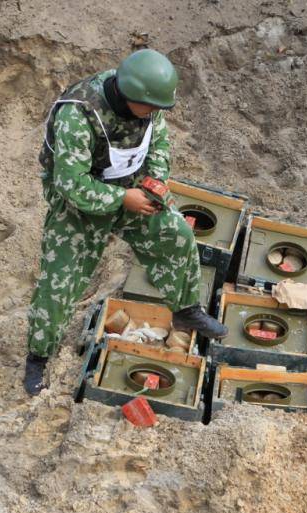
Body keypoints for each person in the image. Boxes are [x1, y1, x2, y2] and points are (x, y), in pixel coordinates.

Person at [24, 49, 228, 396]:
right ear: (129, 95)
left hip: (133, 189)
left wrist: (154, 184)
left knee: (177, 234)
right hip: (80, 201)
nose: (154, 113)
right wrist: (122, 199)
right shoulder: (79, 113)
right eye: (149, 107)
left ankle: (186, 310)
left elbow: (158, 145)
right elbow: (70, 183)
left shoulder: (148, 103)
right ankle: (39, 356)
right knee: (60, 281)